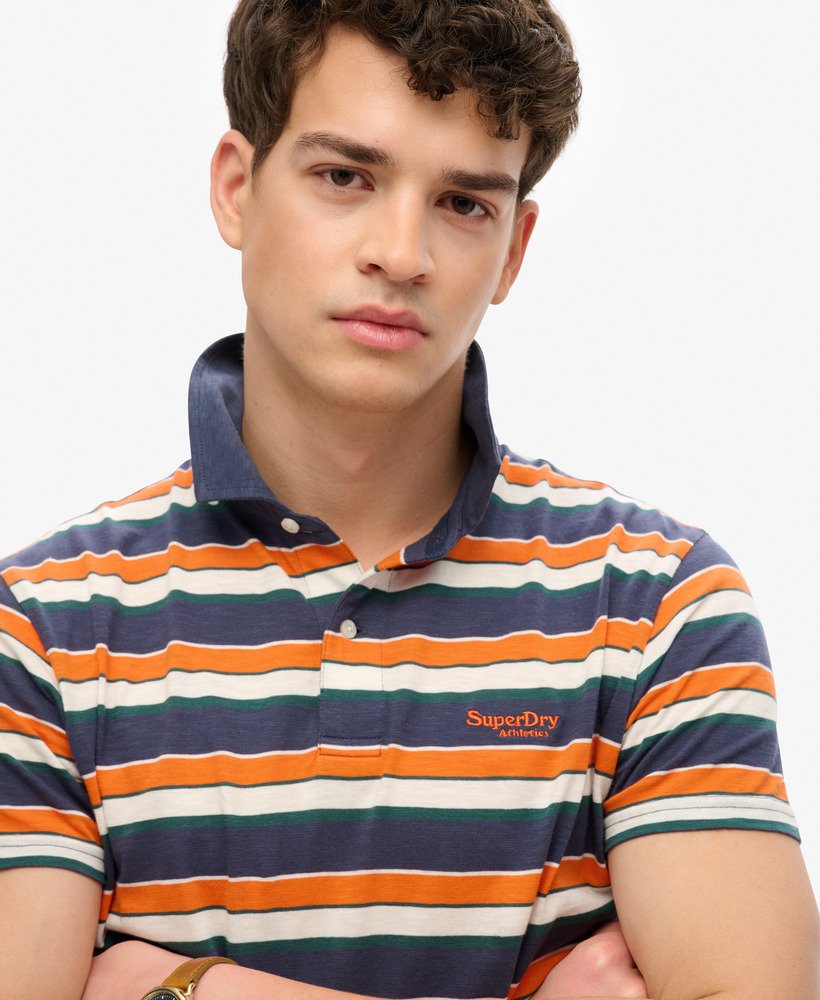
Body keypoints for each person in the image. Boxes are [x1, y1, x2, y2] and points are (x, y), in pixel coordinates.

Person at [0, 2, 817, 999]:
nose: (400, 253)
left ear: (512, 250)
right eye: (346, 177)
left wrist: (175, 989)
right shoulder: (40, 628)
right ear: (236, 190)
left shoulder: (655, 605)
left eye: (463, 203)